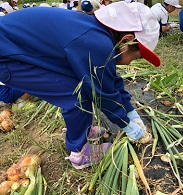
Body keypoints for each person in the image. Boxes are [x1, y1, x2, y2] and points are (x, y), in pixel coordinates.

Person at [0, 1, 160, 169]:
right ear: (126, 41)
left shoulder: (94, 31)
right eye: (134, 58)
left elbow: (110, 78)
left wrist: (130, 111)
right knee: (75, 94)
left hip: (13, 49)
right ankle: (80, 153)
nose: (130, 62)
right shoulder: (96, 43)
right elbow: (102, 94)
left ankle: (82, 131)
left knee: (80, 85)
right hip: (7, 58)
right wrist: (126, 124)